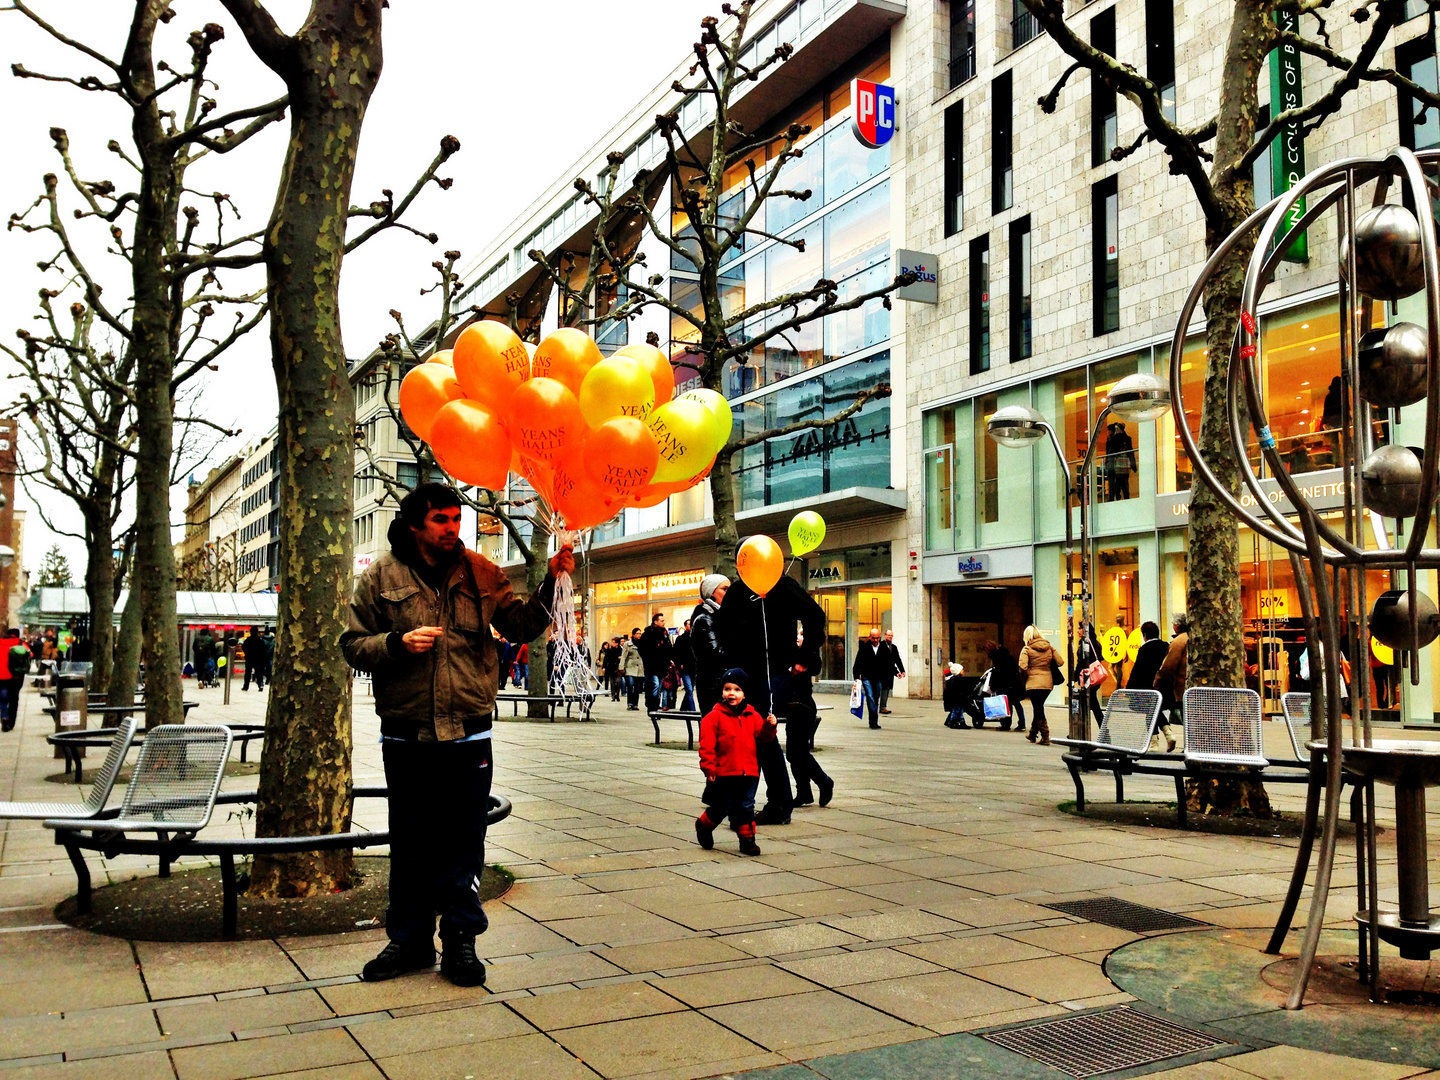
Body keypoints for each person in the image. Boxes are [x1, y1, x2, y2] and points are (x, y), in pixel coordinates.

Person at [341, 482, 573, 988]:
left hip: (469, 732)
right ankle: (409, 941)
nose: (453, 527)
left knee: (464, 841)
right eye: (442, 519)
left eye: (455, 518)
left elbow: (517, 626)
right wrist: (397, 643)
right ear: (414, 524)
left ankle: (461, 942)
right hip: (407, 734)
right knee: (411, 842)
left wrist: (550, 583)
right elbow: (353, 645)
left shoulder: (483, 572)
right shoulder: (381, 576)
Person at [716, 573, 824, 825]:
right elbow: (724, 628)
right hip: (746, 677)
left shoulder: (782, 586)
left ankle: (775, 804)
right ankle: (766, 803)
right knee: (754, 738)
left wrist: (804, 656)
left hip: (774, 674)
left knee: (762, 736)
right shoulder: (739, 591)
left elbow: (815, 616)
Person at [694, 668, 777, 857]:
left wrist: (769, 726)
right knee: (723, 806)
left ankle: (747, 841)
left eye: (737, 689)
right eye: (727, 689)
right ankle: (704, 825)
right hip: (725, 772)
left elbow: (764, 738)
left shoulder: (753, 716)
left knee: (746, 806)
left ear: (745, 693)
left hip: (749, 772)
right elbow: (706, 746)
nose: (731, 693)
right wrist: (709, 767)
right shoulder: (713, 717)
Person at [1126, 620, 1175, 751]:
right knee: (1155, 710)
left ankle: (1155, 742)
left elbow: (1137, 670)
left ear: (1145, 634)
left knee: (1150, 710)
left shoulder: (1144, 649)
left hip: (1147, 687)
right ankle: (1168, 734)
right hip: (1163, 686)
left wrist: (1128, 689)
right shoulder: (1166, 646)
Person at [688, 575, 729, 712]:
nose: (728, 593)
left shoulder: (721, 616)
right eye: (724, 589)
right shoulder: (705, 619)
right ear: (711, 592)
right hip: (712, 684)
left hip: (721, 682)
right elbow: (716, 654)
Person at [1018, 625, 1057, 745]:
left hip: (1033, 683)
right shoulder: (1049, 647)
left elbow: (1022, 667)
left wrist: (1027, 675)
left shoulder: (1027, 649)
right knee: (1038, 706)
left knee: (1038, 708)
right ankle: (1032, 733)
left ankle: (1045, 736)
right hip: (1047, 682)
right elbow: (1060, 661)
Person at [1154, 612, 1189, 730]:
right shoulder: (1190, 637)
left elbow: (1169, 665)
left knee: (1187, 719)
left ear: (1176, 625)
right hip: (1188, 683)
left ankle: (1189, 746)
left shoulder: (1179, 641)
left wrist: (1158, 680)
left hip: (1182, 684)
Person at [982, 640, 1026, 732]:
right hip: (1014, 683)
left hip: (1005, 684)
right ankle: (1022, 723)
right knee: (1016, 703)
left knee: (1006, 704)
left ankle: (1006, 724)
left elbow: (998, 673)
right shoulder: (1006, 654)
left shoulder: (997, 657)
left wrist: (993, 686)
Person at [852, 628, 889, 729]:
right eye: (873, 638)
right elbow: (857, 663)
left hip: (878, 678)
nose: (876, 640)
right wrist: (856, 677)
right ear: (870, 637)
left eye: (877, 638)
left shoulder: (883, 648)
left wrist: (897, 673)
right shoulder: (865, 648)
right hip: (867, 677)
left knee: (875, 698)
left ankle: (873, 721)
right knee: (870, 697)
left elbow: (888, 663)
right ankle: (873, 722)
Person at [638, 613, 672, 711]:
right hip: (651, 666)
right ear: (655, 622)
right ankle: (652, 707)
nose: (664, 622)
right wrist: (647, 660)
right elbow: (642, 649)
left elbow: (668, 647)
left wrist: (668, 659)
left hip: (662, 666)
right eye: (661, 621)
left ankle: (655, 707)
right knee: (655, 685)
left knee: (658, 688)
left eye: (664, 620)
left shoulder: (664, 634)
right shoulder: (648, 633)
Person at [0, 629, 26, 732]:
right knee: (14, 700)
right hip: (15, 677)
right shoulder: (20, 643)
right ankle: (11, 723)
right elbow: (30, 655)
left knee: (2, 699)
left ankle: (4, 716)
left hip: (1, 676)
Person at [877, 629, 906, 714]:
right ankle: (881, 706)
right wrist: (896, 672)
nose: (890, 637)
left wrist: (902, 671)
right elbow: (885, 661)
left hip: (889, 672)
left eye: (891, 635)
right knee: (882, 689)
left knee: (886, 688)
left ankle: (882, 706)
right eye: (888, 635)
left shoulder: (894, 647)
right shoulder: (881, 646)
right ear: (885, 635)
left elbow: (897, 659)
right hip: (881, 672)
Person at [673, 619, 697, 711]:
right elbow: (676, 653)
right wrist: (679, 664)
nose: (691, 626)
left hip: (694, 667)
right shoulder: (681, 639)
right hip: (685, 667)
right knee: (689, 689)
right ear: (685, 626)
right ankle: (692, 709)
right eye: (689, 624)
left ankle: (684, 707)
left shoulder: (696, 638)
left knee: (690, 689)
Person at [620, 627, 645, 710]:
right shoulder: (628, 644)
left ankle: (635, 704)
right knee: (630, 685)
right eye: (637, 633)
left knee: (637, 688)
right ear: (633, 634)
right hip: (630, 667)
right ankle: (630, 703)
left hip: (639, 668)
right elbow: (624, 656)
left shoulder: (642, 643)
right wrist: (621, 667)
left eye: (640, 633)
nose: (639, 635)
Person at [241, 626, 269, 691]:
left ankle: (246, 686)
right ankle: (260, 685)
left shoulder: (248, 640)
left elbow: (244, 647)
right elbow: (263, 650)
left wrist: (247, 654)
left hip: (249, 658)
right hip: (258, 659)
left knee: (248, 672)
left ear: (251, 632)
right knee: (259, 672)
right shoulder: (260, 640)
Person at [942, 662, 969, 728]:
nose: (963, 671)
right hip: (956, 699)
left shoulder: (957, 679)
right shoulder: (954, 680)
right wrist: (961, 695)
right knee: (956, 710)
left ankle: (961, 722)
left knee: (960, 711)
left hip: (959, 699)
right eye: (962, 670)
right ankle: (953, 721)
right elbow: (954, 690)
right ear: (958, 671)